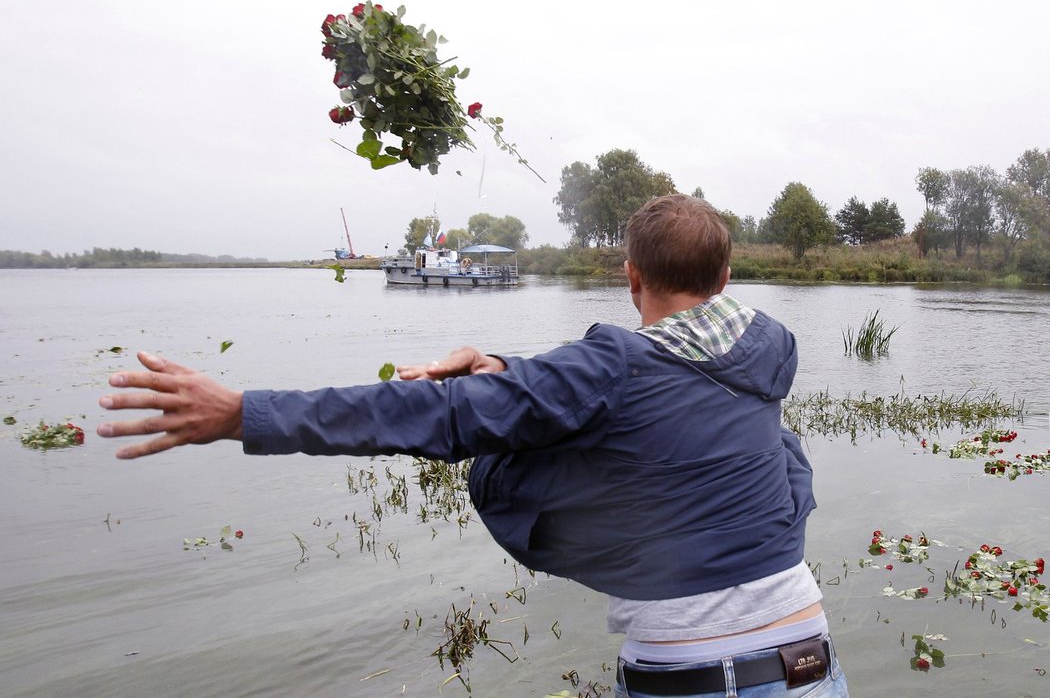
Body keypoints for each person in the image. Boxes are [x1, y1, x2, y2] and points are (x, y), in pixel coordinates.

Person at [98, 194, 848, 697]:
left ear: (630, 278)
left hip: (693, 679)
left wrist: (242, 413)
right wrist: (508, 369)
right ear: (724, 276)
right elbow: (659, 401)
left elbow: (439, 416)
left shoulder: (613, 364)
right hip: (814, 661)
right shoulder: (767, 348)